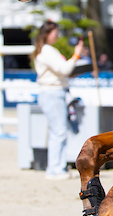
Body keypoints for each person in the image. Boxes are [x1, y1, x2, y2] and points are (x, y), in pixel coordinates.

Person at [31, 20, 86, 180]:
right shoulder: (47, 51)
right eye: (55, 32)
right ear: (47, 33)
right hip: (52, 92)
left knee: (58, 131)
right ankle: (55, 169)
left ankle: (57, 167)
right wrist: (76, 55)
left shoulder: (46, 50)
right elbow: (64, 70)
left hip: (54, 92)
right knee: (59, 131)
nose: (57, 35)